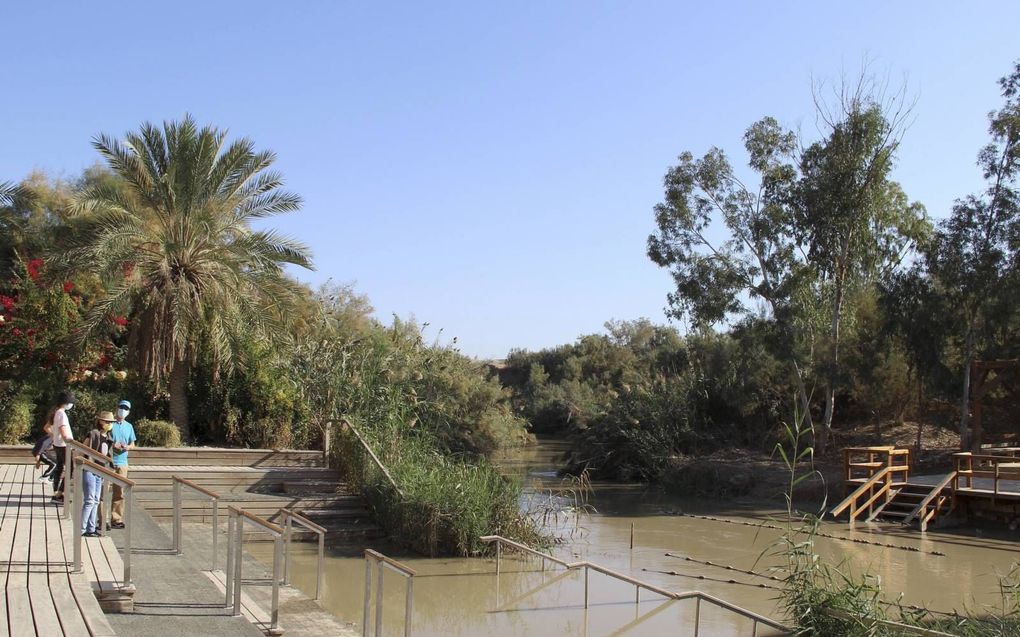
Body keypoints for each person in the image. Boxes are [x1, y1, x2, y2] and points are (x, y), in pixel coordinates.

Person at [82, 412, 114, 537]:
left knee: (95, 500)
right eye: (108, 422)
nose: (110, 424)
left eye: (111, 422)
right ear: (101, 421)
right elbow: (83, 448)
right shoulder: (93, 433)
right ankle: (82, 528)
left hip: (100, 471)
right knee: (89, 500)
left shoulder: (109, 437)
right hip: (90, 469)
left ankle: (91, 528)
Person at [108, 399, 136, 529]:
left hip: (123, 462)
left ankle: (116, 519)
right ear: (117, 407)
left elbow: (133, 443)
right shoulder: (110, 423)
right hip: (108, 461)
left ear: (129, 411)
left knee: (119, 493)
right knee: (102, 492)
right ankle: (100, 520)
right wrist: (114, 444)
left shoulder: (129, 426)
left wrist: (128, 447)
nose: (123, 410)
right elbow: (104, 439)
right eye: (121, 407)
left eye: (125, 408)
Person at [47, 389, 75, 503]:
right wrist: (67, 440)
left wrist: (55, 437)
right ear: (66, 402)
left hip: (57, 444)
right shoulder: (61, 414)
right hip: (64, 445)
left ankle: (57, 492)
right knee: (70, 469)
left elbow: (48, 428)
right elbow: (63, 429)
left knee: (59, 467)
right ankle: (59, 494)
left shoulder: (56, 412)